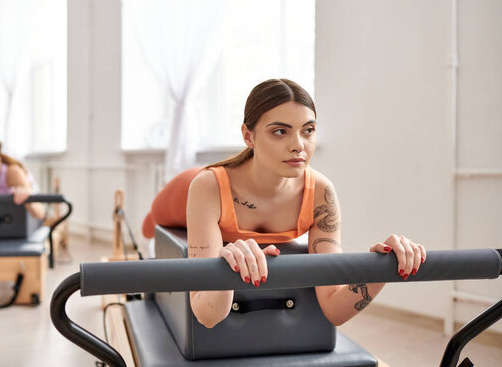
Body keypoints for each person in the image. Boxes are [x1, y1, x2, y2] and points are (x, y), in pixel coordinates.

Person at [142, 78, 426, 329]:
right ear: (248, 136)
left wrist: (383, 268)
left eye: (308, 130)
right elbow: (206, 315)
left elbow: (333, 308)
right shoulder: (207, 186)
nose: (298, 145)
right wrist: (223, 266)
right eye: (280, 131)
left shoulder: (321, 192)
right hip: (184, 192)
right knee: (151, 221)